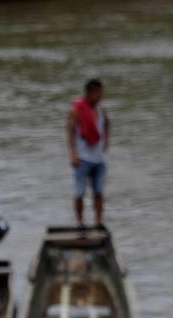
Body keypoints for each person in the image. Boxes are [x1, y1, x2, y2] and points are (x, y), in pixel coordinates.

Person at [67, 78, 110, 228]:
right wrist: (73, 155)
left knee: (99, 192)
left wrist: (107, 142)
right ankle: (80, 222)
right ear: (89, 93)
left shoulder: (101, 111)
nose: (100, 96)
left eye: (101, 93)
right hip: (82, 160)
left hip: (99, 160)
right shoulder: (76, 111)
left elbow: (108, 125)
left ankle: (99, 222)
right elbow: (70, 133)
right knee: (79, 193)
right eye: (97, 93)